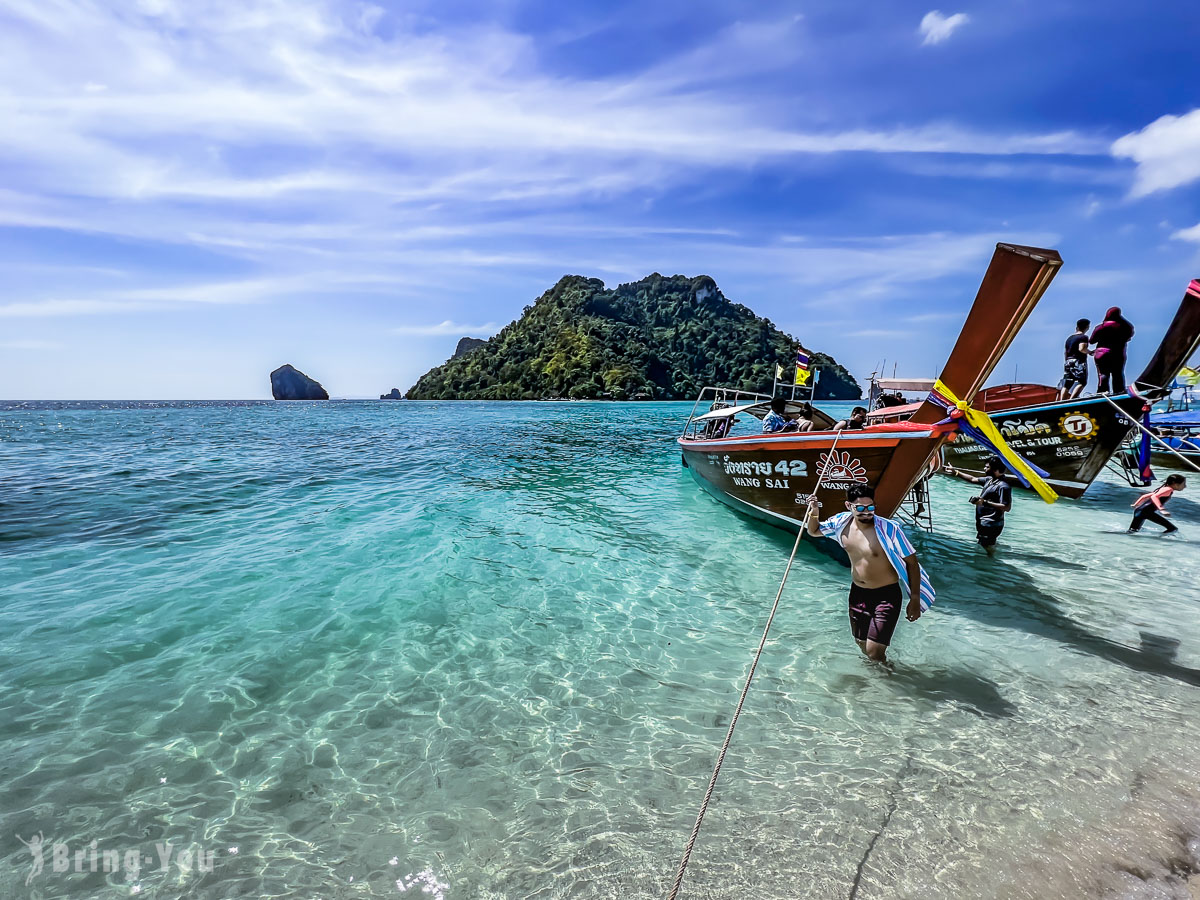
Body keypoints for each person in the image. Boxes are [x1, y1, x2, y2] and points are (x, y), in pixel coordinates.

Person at [805, 484, 933, 662]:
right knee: (861, 643)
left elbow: (912, 563)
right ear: (849, 506)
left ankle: (886, 684)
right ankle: (880, 678)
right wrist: (814, 510)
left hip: (886, 595)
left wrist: (915, 598)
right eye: (860, 508)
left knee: (874, 652)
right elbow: (813, 531)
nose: (867, 512)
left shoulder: (890, 529)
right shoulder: (841, 523)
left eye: (871, 507)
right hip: (858, 594)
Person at [944, 456, 1013, 556]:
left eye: (987, 467)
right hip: (984, 522)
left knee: (986, 547)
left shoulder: (1003, 486)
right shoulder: (990, 480)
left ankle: (990, 565)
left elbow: (1006, 507)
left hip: (991, 523)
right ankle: (992, 556)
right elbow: (973, 479)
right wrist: (956, 472)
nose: (984, 469)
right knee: (987, 545)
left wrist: (984, 502)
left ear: (996, 470)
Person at [1090, 307, 1135, 394]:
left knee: (1103, 374)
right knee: (1118, 374)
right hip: (1118, 353)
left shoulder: (1100, 327)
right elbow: (1130, 334)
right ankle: (1119, 392)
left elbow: (1091, 341)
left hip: (1101, 353)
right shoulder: (1124, 327)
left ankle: (1102, 392)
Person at [1058, 318, 1092, 400]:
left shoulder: (1069, 338)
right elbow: (1081, 348)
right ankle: (1072, 399)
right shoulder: (1083, 337)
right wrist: (1090, 352)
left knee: (1067, 383)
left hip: (1068, 361)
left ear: (1077, 327)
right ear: (1087, 327)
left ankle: (1061, 401)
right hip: (1078, 361)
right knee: (1082, 382)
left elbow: (1065, 352)